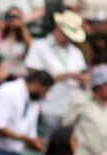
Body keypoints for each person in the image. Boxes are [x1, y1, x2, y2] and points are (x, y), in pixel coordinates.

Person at [24, 10, 89, 140]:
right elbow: (34, 78)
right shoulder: (39, 46)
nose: (68, 39)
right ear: (57, 28)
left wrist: (84, 80)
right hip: (49, 107)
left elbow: (84, 79)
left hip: (72, 108)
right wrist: (67, 75)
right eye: (66, 34)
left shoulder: (76, 52)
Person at [0, 7, 31, 79]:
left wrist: (22, 26)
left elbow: (32, 48)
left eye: (17, 17)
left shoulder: (24, 37)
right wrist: (1, 30)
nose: (13, 19)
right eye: (11, 16)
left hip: (19, 76)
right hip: (0, 76)